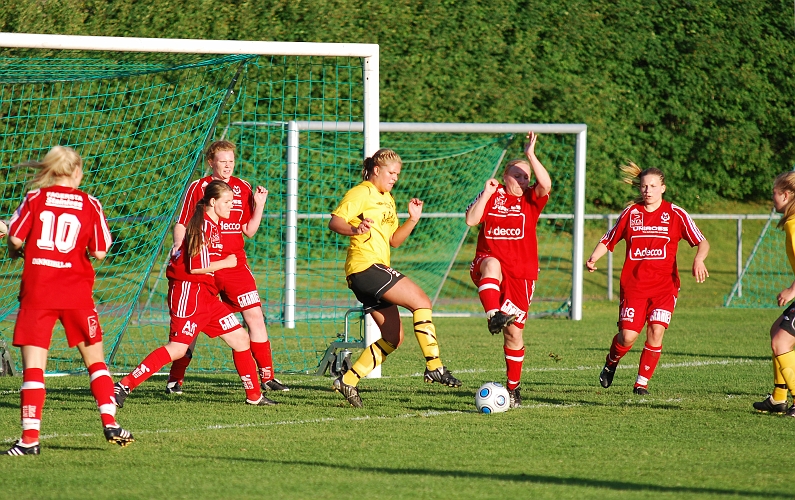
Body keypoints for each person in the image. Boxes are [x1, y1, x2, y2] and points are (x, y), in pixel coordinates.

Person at [4, 146, 134, 456]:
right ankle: (110, 421)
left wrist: (15, 249)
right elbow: (101, 251)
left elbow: (16, 238)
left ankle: (29, 440)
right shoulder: (90, 203)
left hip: (38, 292)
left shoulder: (35, 199)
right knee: (96, 363)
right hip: (76, 293)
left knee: (34, 369)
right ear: (77, 172)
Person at [113, 180, 273, 407]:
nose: (232, 207)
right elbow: (195, 267)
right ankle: (123, 386)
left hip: (205, 295)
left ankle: (255, 396)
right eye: (227, 202)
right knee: (178, 348)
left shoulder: (213, 222)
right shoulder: (202, 227)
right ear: (213, 201)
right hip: (188, 292)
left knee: (240, 339)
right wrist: (226, 262)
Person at [328, 148, 462, 407]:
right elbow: (334, 222)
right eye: (391, 172)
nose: (395, 178)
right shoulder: (361, 192)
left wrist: (412, 220)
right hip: (365, 266)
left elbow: (394, 241)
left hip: (371, 272)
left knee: (393, 337)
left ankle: (348, 380)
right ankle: (434, 366)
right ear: (376, 170)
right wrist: (355, 228)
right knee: (421, 301)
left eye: (398, 174)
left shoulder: (388, 198)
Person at [164, 140, 288, 395]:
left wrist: (261, 204)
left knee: (254, 316)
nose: (228, 165)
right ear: (211, 162)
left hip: (234, 266)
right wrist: (179, 246)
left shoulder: (242, 187)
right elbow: (181, 223)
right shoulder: (198, 187)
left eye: (231, 160)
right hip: (205, 266)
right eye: (223, 161)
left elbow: (249, 231)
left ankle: (267, 377)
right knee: (194, 325)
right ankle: (175, 380)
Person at [586, 162, 710, 395]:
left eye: (653, 186)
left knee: (656, 330)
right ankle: (612, 361)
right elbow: (609, 238)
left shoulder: (675, 214)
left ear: (663, 188)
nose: (648, 190)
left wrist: (699, 259)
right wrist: (593, 257)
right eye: (644, 186)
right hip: (634, 287)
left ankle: (641, 383)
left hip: (665, 288)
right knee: (627, 337)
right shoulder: (631, 213)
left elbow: (702, 241)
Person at [464, 131, 551, 409]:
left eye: (526, 176)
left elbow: (545, 184)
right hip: (489, 264)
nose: (523, 180)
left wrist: (530, 155)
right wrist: (488, 192)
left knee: (514, 335)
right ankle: (493, 314)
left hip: (522, 276)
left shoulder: (530, 199)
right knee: (491, 263)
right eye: (517, 175)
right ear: (505, 176)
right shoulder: (493, 194)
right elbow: (471, 220)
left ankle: (513, 389)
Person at [752, 172, 795, 416]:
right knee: (776, 330)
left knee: (781, 341)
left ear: (786, 195)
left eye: (774, 193)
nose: (772, 198)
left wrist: (791, 290)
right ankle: (779, 398)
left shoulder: (793, 224)